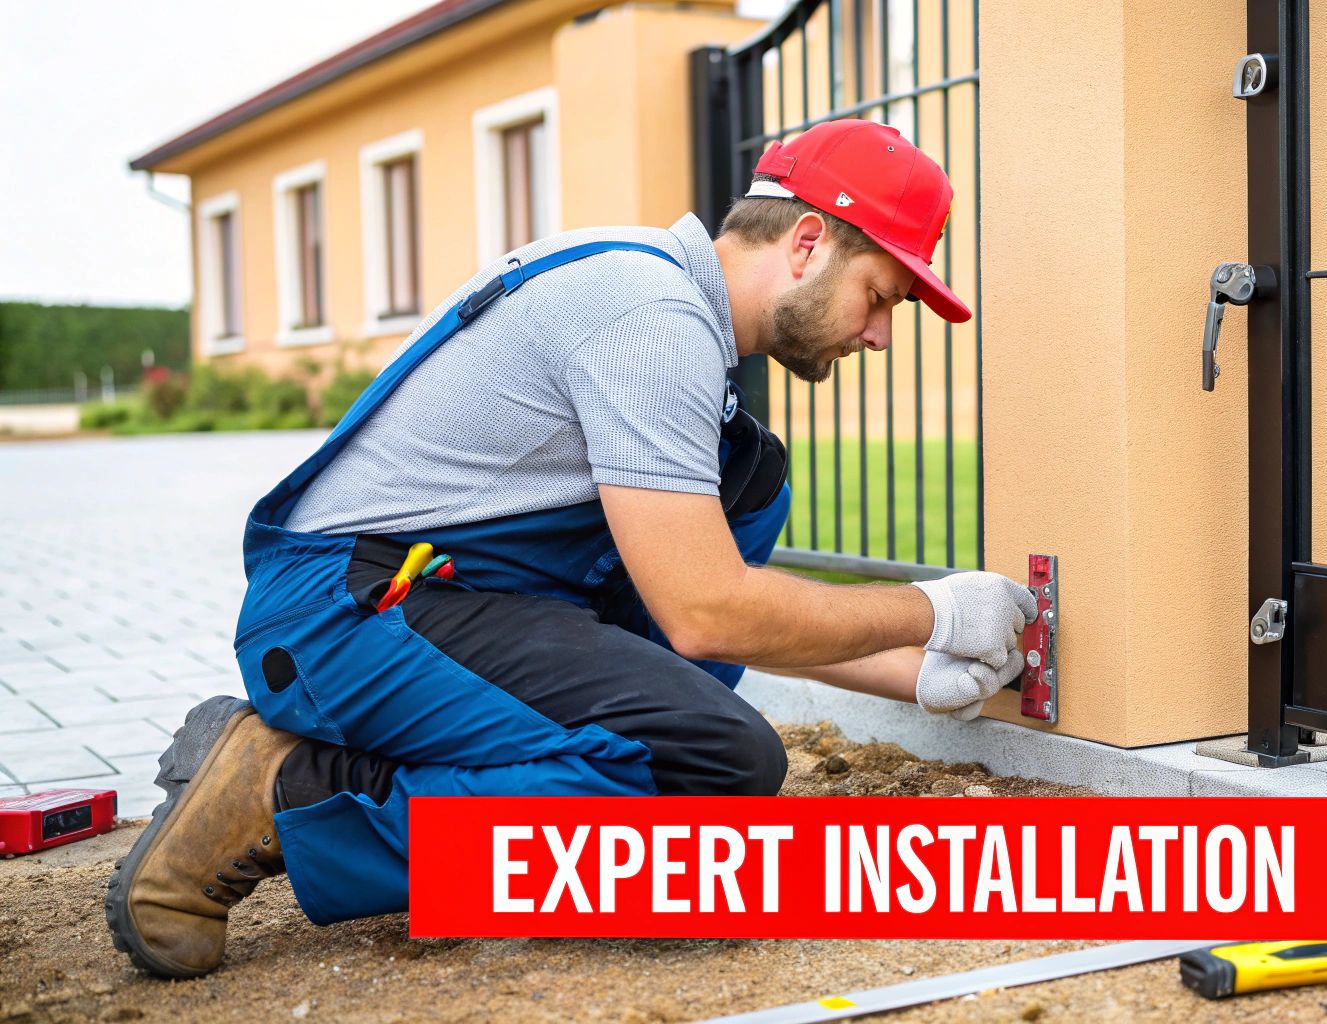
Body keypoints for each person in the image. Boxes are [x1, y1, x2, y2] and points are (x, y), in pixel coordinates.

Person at [105, 119, 1036, 978]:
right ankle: (290, 786)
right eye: (880, 295)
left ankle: (537, 834)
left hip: (452, 597)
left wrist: (912, 673)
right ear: (807, 244)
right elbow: (707, 613)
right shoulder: (650, 317)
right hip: (350, 606)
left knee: (750, 485)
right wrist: (935, 609)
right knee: (714, 769)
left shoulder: (673, 325)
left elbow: (690, 614)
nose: (878, 334)